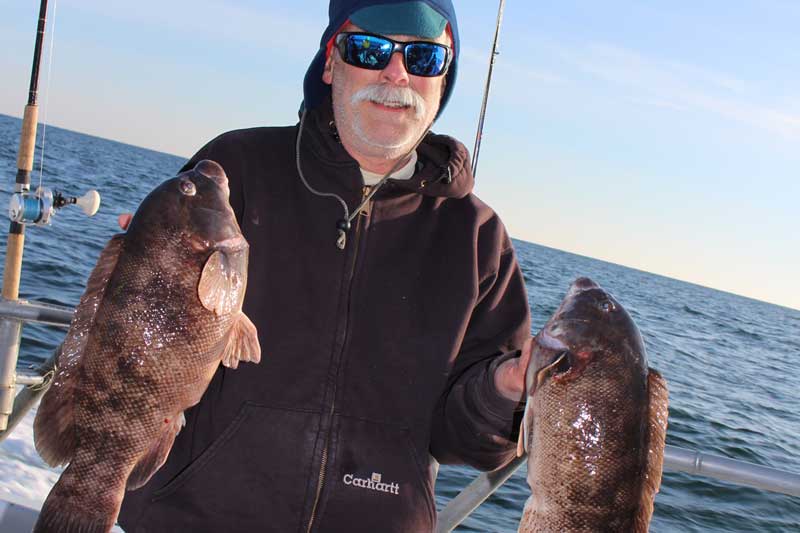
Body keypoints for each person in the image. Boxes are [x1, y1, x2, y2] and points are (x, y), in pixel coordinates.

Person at [118, 1, 532, 531]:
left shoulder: (478, 237)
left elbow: (466, 442)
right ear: (331, 62)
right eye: (370, 49)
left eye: (424, 57)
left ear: (443, 78)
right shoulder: (237, 168)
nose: (396, 72)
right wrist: (137, 279)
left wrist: (505, 391)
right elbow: (138, 349)